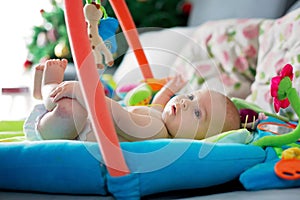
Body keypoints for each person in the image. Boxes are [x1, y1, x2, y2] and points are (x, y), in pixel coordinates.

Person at [24, 59, 241, 142]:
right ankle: (42, 94)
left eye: (197, 113)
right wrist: (169, 89)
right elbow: (159, 102)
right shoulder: (162, 119)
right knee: (74, 105)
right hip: (70, 127)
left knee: (73, 109)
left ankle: (46, 88)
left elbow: (118, 117)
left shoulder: (156, 130)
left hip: (67, 131)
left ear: (198, 139)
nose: (185, 102)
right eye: (192, 97)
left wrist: (84, 91)